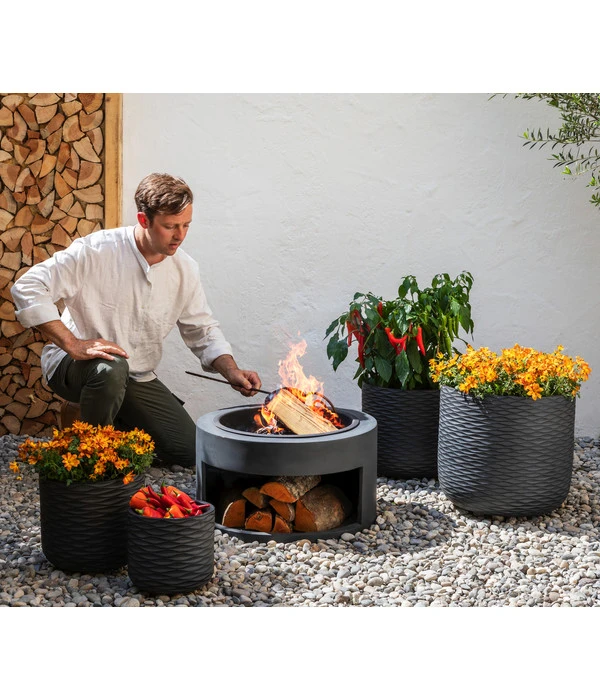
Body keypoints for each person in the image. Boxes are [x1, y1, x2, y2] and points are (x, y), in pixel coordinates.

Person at [11, 172, 262, 468]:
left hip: (137, 376)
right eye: (170, 226)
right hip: (75, 366)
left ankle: (109, 422)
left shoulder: (185, 269)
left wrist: (231, 371)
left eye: (186, 225)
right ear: (144, 220)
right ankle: (93, 463)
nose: (180, 235)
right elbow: (27, 287)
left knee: (189, 452)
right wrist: (73, 343)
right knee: (111, 369)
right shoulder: (95, 250)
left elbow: (202, 329)